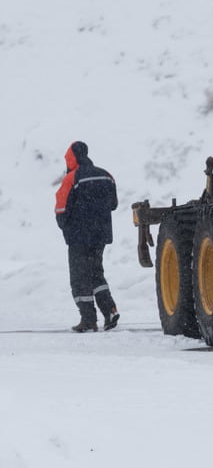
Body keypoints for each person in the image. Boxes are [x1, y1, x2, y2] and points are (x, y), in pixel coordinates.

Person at [54, 141, 120, 332]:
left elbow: (61, 209)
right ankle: (110, 311)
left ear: (71, 158)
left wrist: (67, 228)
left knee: (79, 278)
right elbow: (114, 204)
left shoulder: (71, 178)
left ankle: (89, 320)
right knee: (96, 274)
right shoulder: (106, 175)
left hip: (79, 237)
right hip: (100, 236)